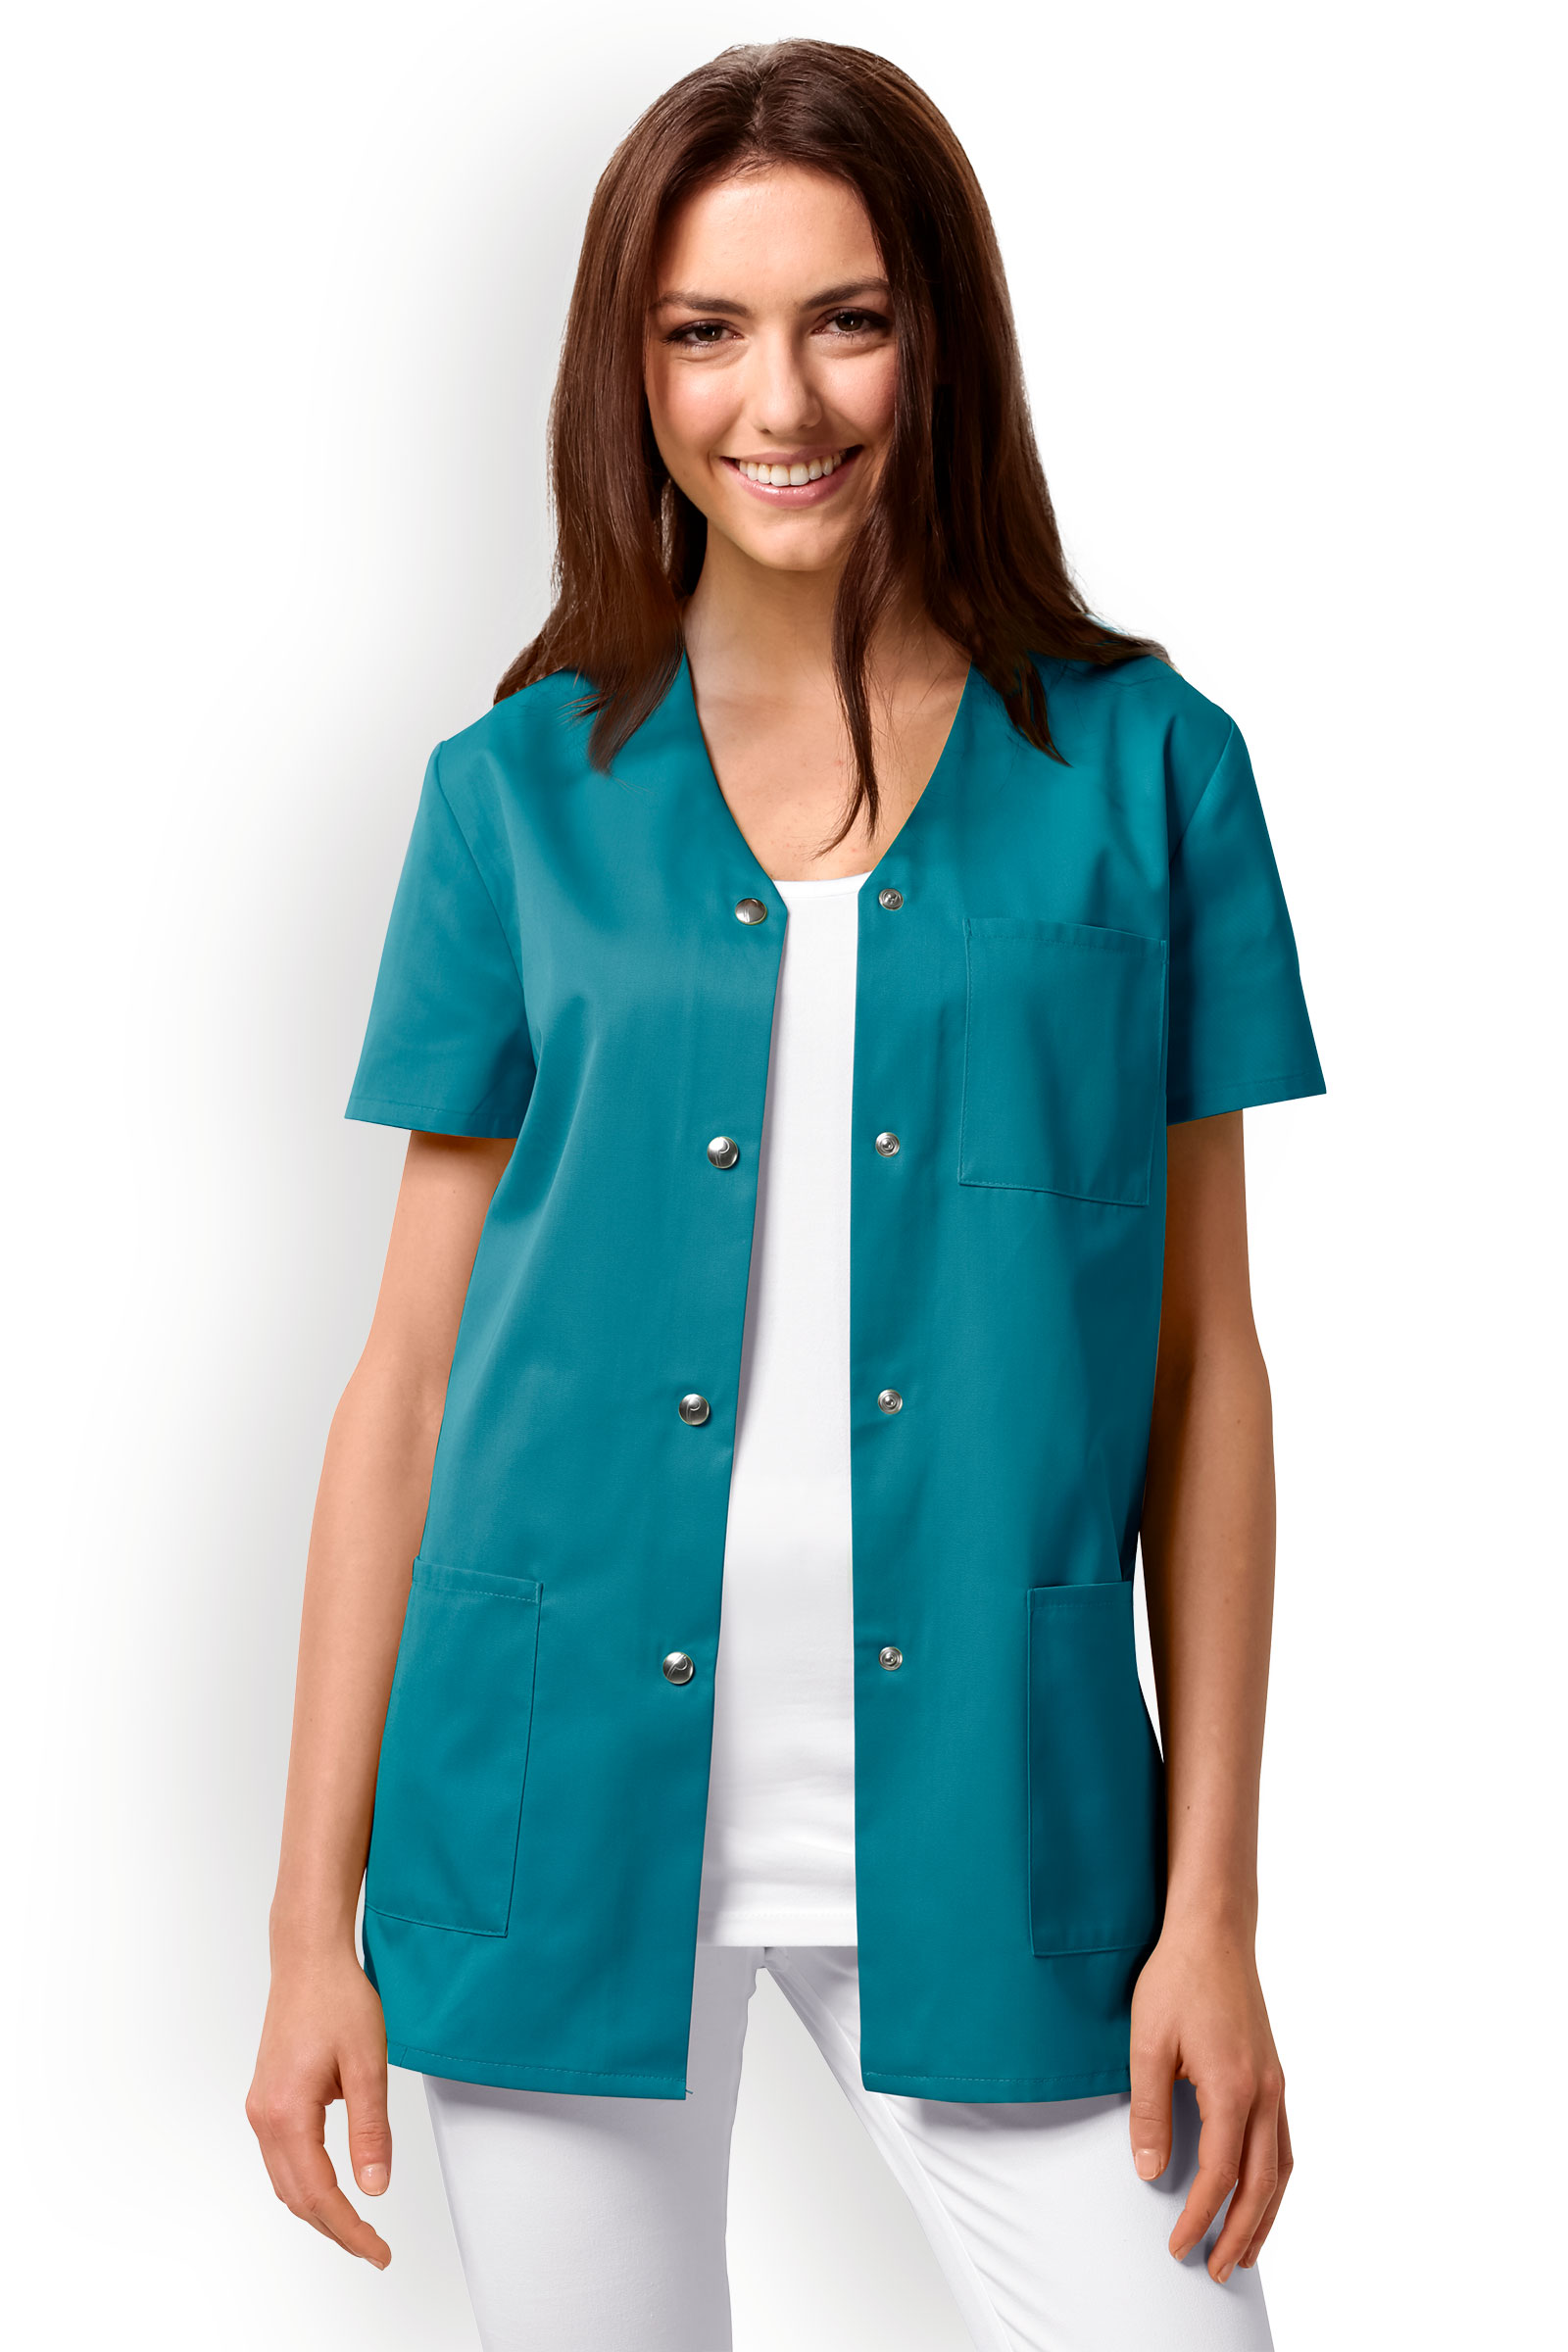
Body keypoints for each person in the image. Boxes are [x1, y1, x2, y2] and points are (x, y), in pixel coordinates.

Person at [247, 39, 1325, 2352]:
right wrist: (304, 1926)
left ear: (941, 336)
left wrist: (1211, 1912)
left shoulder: (1148, 771)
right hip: (548, 1817)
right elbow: (408, 1381)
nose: (780, 401)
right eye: (702, 331)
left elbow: (1200, 1370)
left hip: (1010, 1823)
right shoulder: (511, 795)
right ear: (627, 370)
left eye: (846, 319)